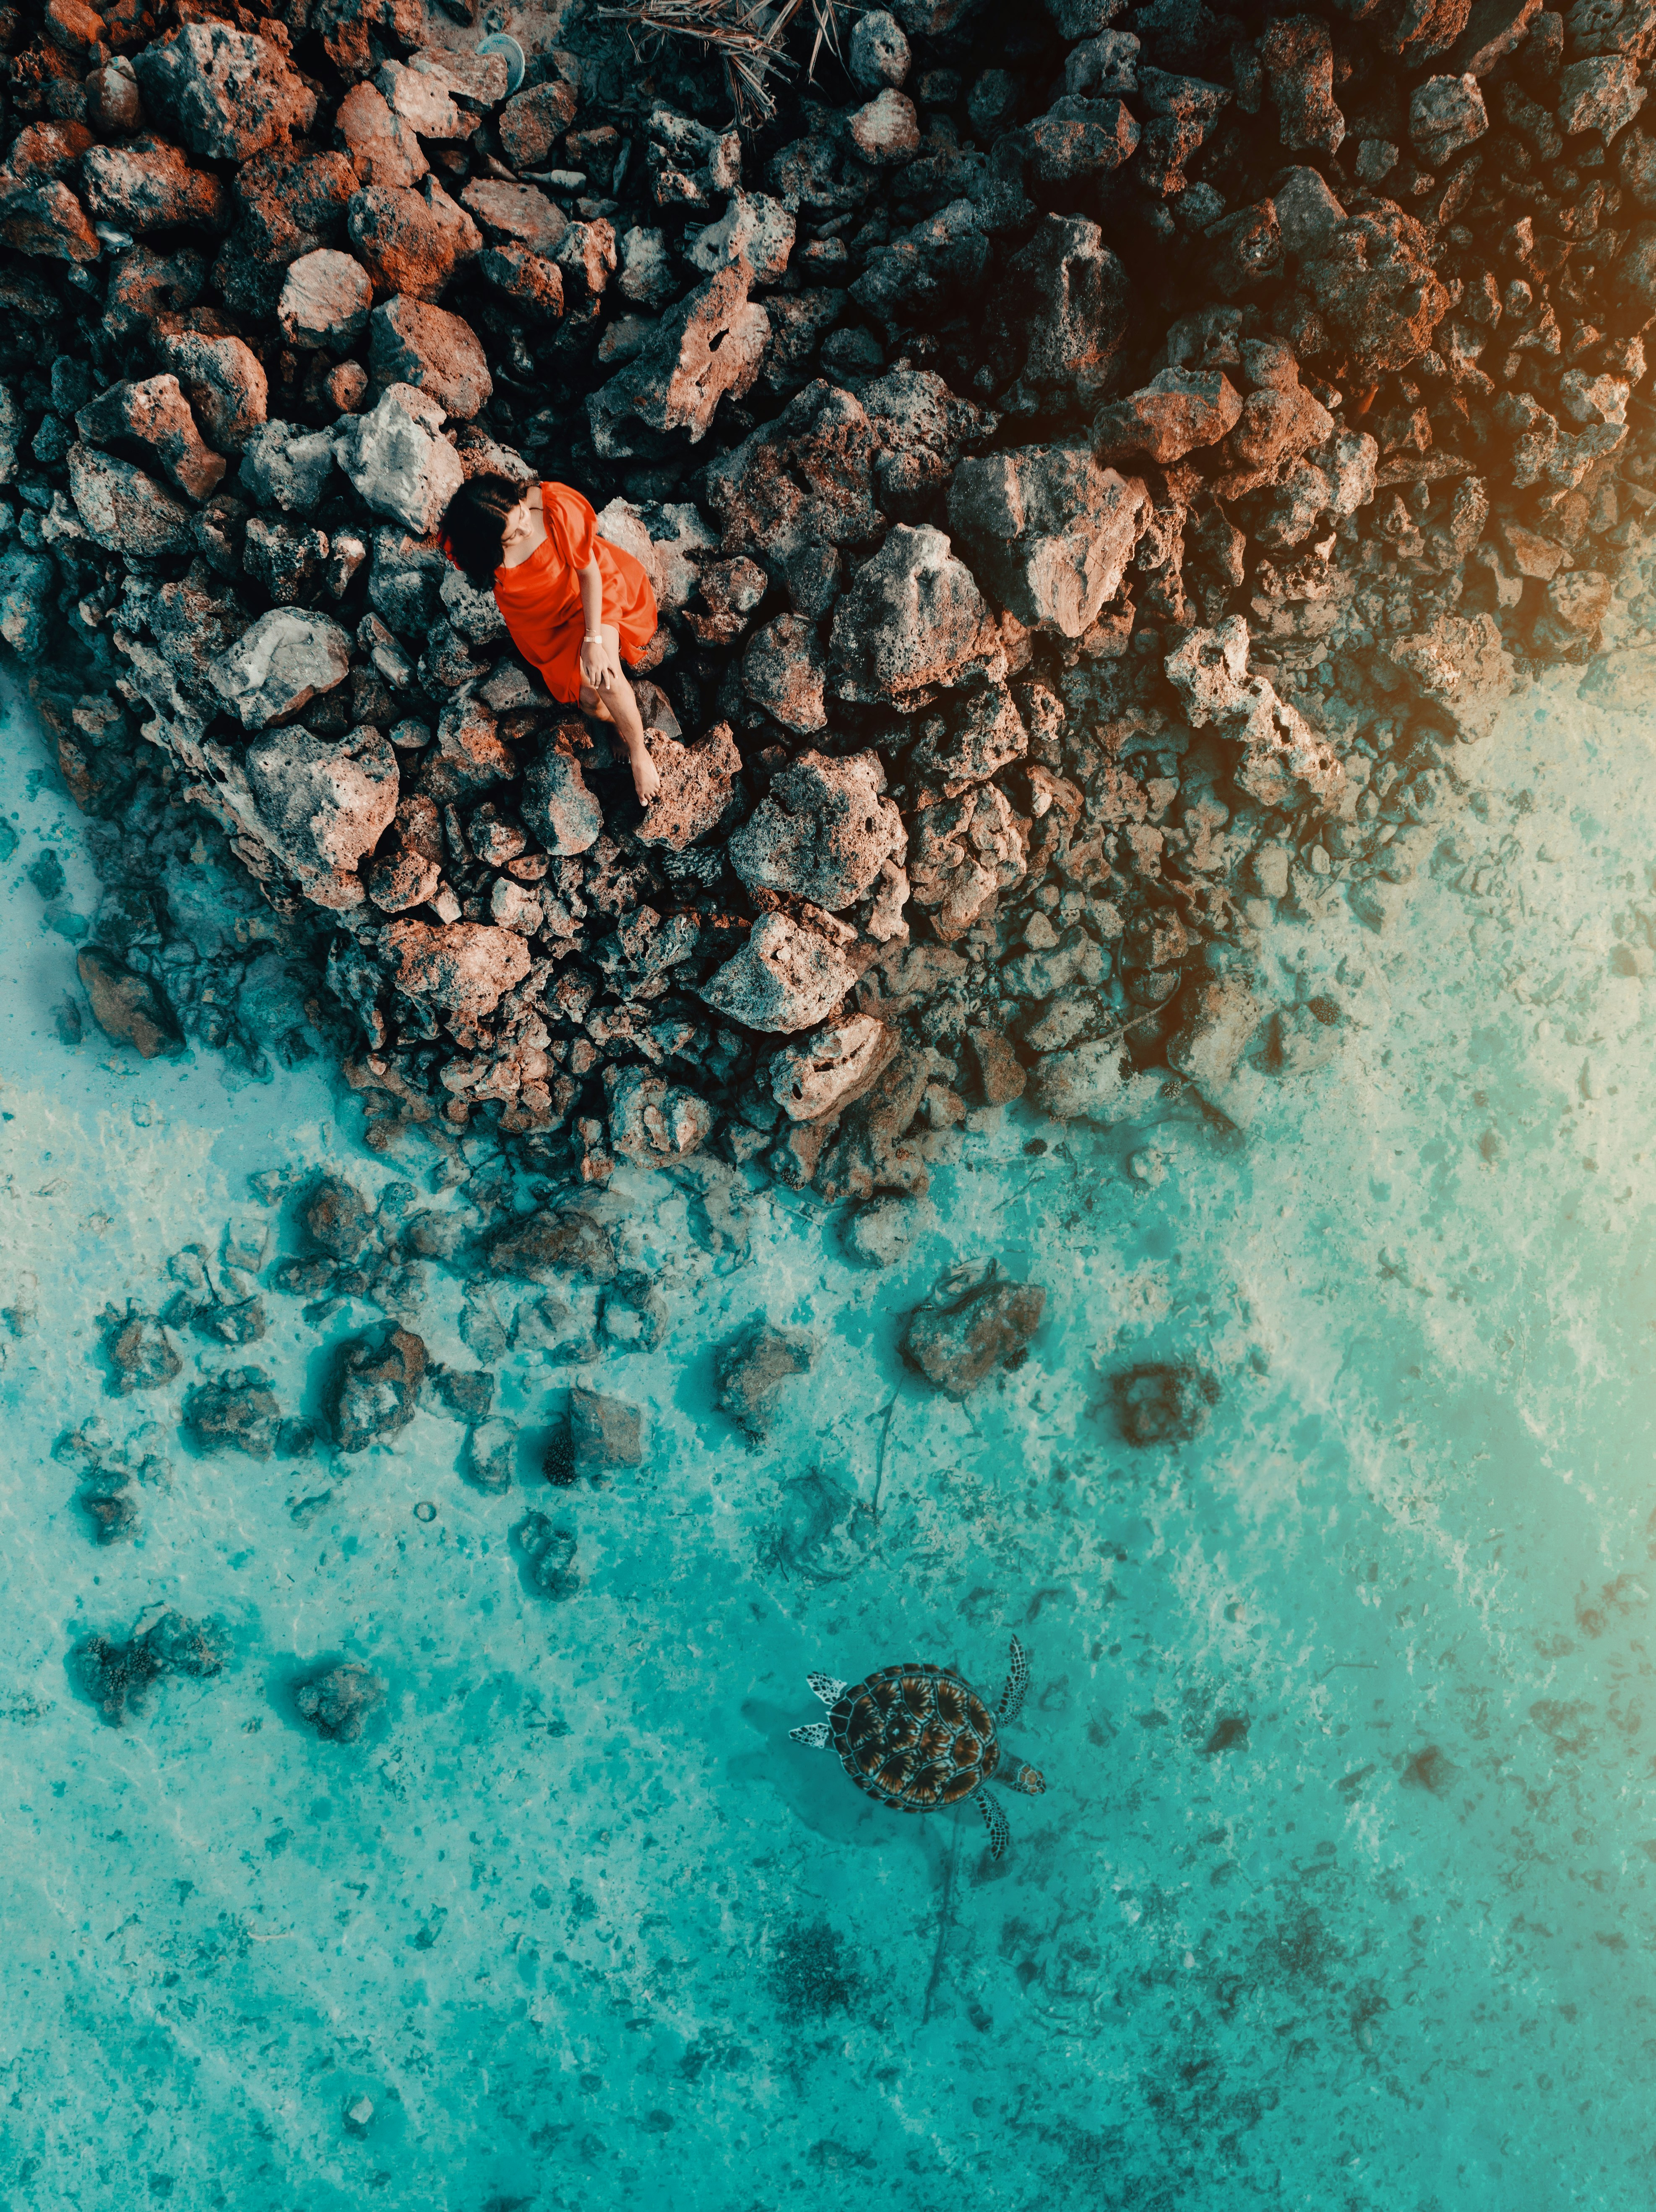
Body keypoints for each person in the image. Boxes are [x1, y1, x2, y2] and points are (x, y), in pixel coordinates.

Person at [440, 474, 662, 805]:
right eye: (512, 536)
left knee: (607, 678)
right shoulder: (472, 547)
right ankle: (612, 720)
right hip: (540, 624)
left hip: (587, 598)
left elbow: (590, 574)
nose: (526, 530)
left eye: (521, 515)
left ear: (518, 500)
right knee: (588, 701)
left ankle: (639, 751)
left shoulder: (556, 510)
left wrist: (593, 638)